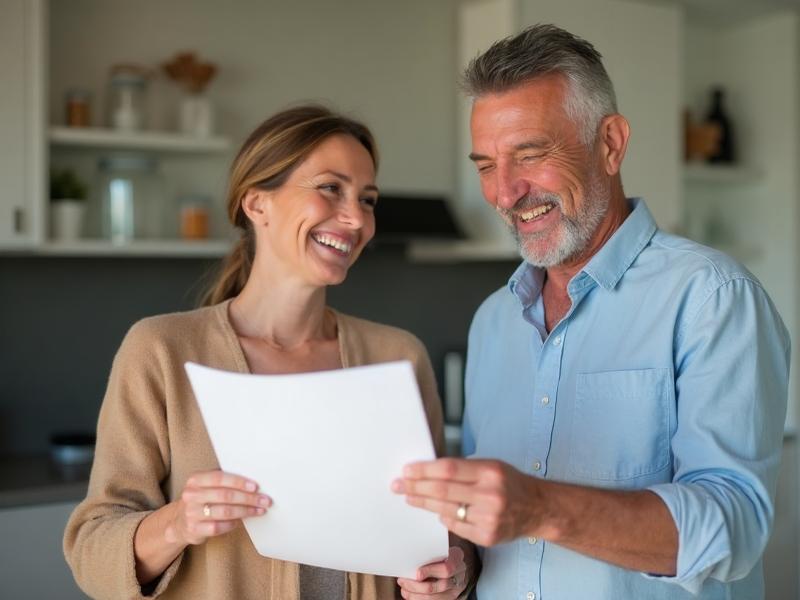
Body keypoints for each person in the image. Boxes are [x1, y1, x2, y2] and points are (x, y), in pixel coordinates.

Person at [392, 24, 790, 600]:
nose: (506, 193)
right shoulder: (493, 321)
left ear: (611, 142)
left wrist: (539, 507)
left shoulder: (711, 298)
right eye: (486, 166)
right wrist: (462, 564)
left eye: (529, 155)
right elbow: (499, 538)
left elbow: (735, 527)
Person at [64, 105, 475, 600]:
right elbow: (92, 552)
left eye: (367, 199)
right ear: (257, 203)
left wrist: (455, 571)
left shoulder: (397, 356)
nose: (355, 218)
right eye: (330, 188)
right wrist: (178, 523)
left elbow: (439, 529)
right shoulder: (162, 351)